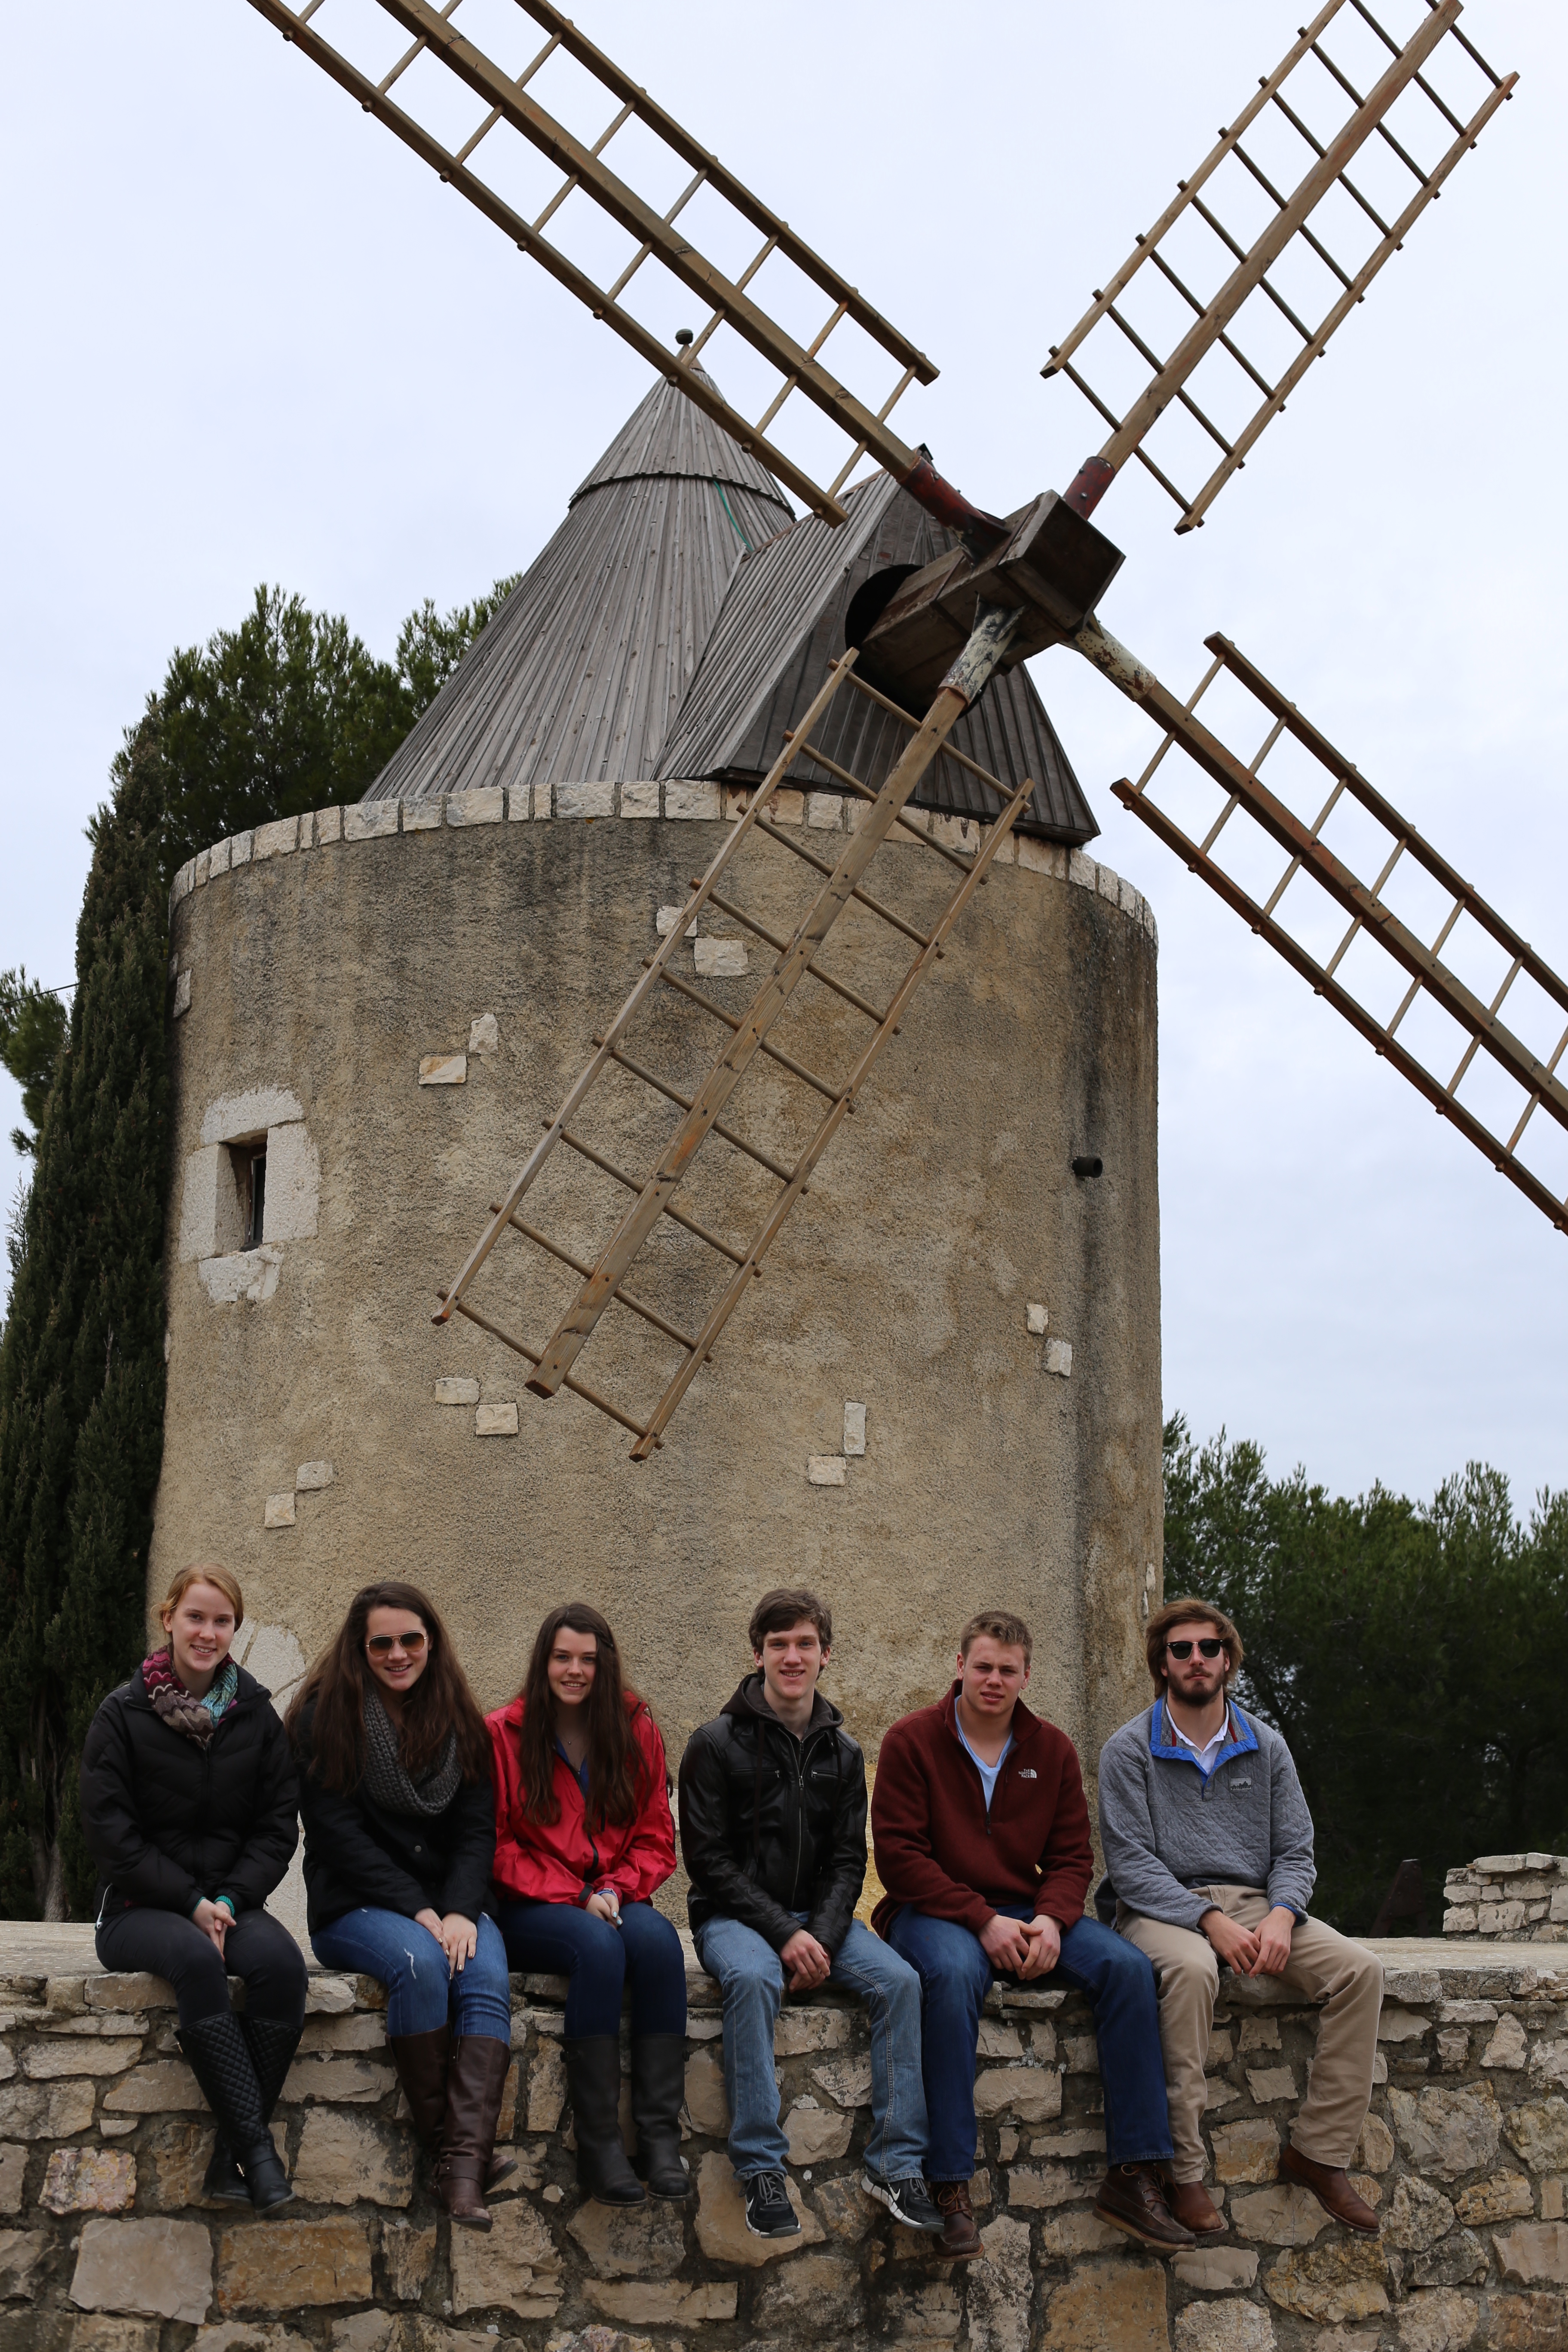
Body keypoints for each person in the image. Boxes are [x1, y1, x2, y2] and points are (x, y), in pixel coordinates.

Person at [873, 1608, 1193, 2259]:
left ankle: (1134, 2174)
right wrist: (981, 1919)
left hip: (1028, 1907)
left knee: (1128, 1969)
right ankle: (951, 2185)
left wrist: (1051, 1919)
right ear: (960, 1666)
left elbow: (1075, 1857)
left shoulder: (1051, 1749)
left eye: (1008, 1670)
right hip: (931, 1912)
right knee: (956, 1975)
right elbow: (901, 1859)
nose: (994, 1680)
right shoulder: (910, 1741)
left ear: (1026, 1676)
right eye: (983, 1666)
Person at [1098, 1597, 1384, 2237]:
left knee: (1360, 1970)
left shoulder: (1268, 1746)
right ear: (1162, 1663)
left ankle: (1318, 2153)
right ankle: (1185, 2171)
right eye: (1181, 1650)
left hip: (1259, 1904)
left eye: (1208, 1648)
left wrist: (1283, 1916)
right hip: (1160, 1907)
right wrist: (1207, 1920)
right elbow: (1130, 1864)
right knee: (1195, 1972)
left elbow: (1295, 1851)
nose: (1195, 1660)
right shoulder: (1127, 1750)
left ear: (1228, 1660)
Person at [680, 1588, 943, 2243]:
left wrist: (819, 1936)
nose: (791, 1657)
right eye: (778, 1645)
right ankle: (762, 2168)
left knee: (901, 1983)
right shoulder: (713, 1743)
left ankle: (896, 2164)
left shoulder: (844, 1754)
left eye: (804, 1645)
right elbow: (709, 1862)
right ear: (758, 1654)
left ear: (826, 1655)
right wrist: (787, 1934)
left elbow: (849, 1860)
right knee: (752, 1979)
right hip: (733, 1918)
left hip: (819, 1920)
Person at [287, 1580, 511, 2230]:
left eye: (410, 1639)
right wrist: (420, 1909)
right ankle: (460, 2158)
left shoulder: (461, 1718)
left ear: (430, 1641)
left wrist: (464, 1910)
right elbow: (338, 1837)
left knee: (487, 1973)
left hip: (454, 1902)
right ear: (360, 1650)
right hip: (356, 1907)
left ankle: (458, 2169)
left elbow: (476, 1830)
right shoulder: (323, 1716)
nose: (397, 1654)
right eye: (380, 1643)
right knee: (420, 1964)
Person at [81, 1565, 306, 2214]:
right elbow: (111, 1833)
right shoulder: (122, 1714)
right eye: (196, 1617)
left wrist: (231, 1900)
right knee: (196, 1961)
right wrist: (189, 1902)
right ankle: (258, 2157)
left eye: (222, 1621)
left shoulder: (256, 1717)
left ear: (235, 1628)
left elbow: (274, 1829)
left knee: (284, 1969)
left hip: (233, 1904)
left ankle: (227, 2161)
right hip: (138, 1908)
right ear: (169, 1619)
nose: (208, 1633)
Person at [489, 1602, 688, 2207]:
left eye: (588, 1661)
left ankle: (658, 2138)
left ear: (605, 1667)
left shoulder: (636, 1729)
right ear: (543, 1662)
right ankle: (600, 2147)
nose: (575, 1671)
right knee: (597, 1947)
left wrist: (614, 1887)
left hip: (613, 1893)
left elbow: (657, 1833)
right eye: (562, 1658)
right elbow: (495, 1847)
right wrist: (576, 1895)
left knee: (658, 1944)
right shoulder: (502, 1733)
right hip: (530, 1904)